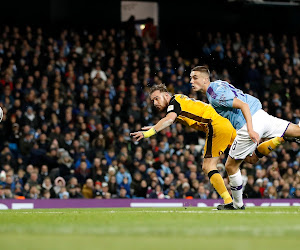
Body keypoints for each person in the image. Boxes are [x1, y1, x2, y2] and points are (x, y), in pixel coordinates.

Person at [130, 84, 275, 207]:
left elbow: (169, 119)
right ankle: (280, 139)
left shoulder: (174, 103)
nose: (155, 103)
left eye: (156, 98)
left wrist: (148, 133)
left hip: (215, 125)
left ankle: (228, 201)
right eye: (152, 101)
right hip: (225, 122)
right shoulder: (179, 100)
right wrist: (155, 125)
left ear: (166, 95)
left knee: (208, 166)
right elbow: (169, 119)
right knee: (251, 158)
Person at [190, 66, 300, 209]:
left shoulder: (214, 95)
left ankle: (237, 205)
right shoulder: (219, 83)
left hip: (249, 122)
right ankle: (284, 138)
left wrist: (250, 129)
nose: (191, 81)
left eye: (195, 77)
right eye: (191, 78)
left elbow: (243, 105)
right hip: (261, 115)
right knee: (297, 131)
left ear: (205, 79)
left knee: (230, 166)